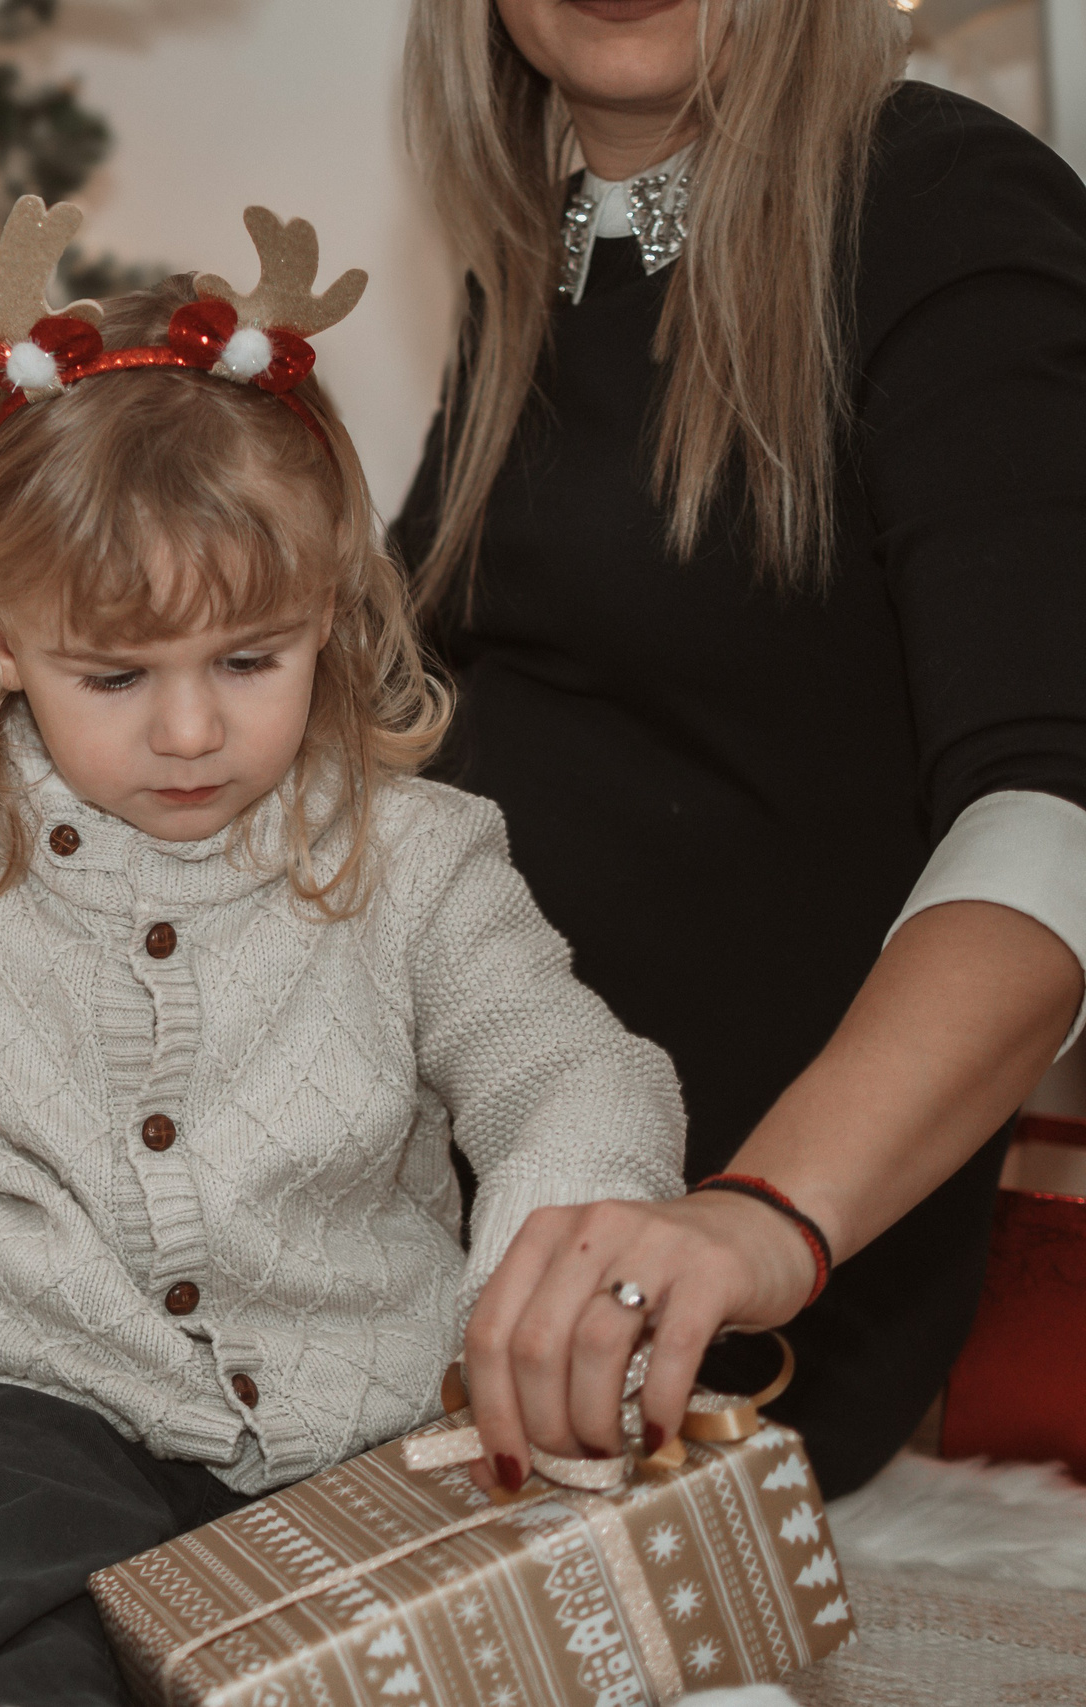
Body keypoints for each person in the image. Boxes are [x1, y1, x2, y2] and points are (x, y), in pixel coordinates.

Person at [0, 212, 688, 1707]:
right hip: (51, 1393)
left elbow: (567, 1070)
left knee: (515, 1617)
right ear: (2, 634)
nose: (191, 731)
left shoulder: (417, 856)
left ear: (326, 614)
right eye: (118, 676)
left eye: (249, 662)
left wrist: (550, 1257)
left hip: (375, 1405)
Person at [396, 0, 1086, 1498]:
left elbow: (1054, 807)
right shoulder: (547, 244)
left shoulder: (941, 207)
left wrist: (761, 1216)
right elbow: (399, 695)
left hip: (705, 1275)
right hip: (444, 1174)